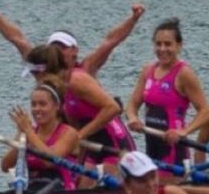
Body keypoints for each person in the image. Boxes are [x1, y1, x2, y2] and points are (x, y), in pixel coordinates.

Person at [23, 43, 134, 179]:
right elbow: (73, 126)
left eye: (34, 75)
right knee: (80, 185)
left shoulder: (76, 80)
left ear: (42, 72)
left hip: (113, 141)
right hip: (90, 143)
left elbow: (113, 108)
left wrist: (79, 135)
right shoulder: (59, 87)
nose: (35, 81)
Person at [124, 18, 209, 172]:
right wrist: (133, 118)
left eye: (168, 44)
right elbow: (132, 104)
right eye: (158, 44)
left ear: (179, 45)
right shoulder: (148, 70)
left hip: (173, 151)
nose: (162, 49)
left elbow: (206, 111)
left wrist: (184, 131)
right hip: (151, 146)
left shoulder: (184, 74)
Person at [0, 0, 146, 77]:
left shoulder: (86, 67)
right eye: (54, 47)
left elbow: (110, 41)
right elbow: (18, 39)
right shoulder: (42, 69)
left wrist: (133, 18)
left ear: (75, 51)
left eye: (62, 48)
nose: (58, 52)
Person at [0, 75, 79, 191]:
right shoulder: (30, 132)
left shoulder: (69, 133)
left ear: (57, 106)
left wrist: (29, 132)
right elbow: (5, 166)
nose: (37, 109)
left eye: (42, 104)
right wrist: (21, 135)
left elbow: (50, 161)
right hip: (34, 192)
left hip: (61, 191)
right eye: (33, 104)